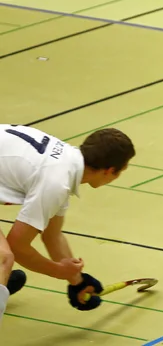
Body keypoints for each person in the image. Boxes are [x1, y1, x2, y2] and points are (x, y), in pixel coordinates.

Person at [0, 124, 135, 317]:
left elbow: (52, 235)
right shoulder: (57, 182)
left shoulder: (67, 164)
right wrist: (57, 271)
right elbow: (18, 246)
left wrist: (78, 281)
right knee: (3, 258)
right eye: (120, 171)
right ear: (109, 170)